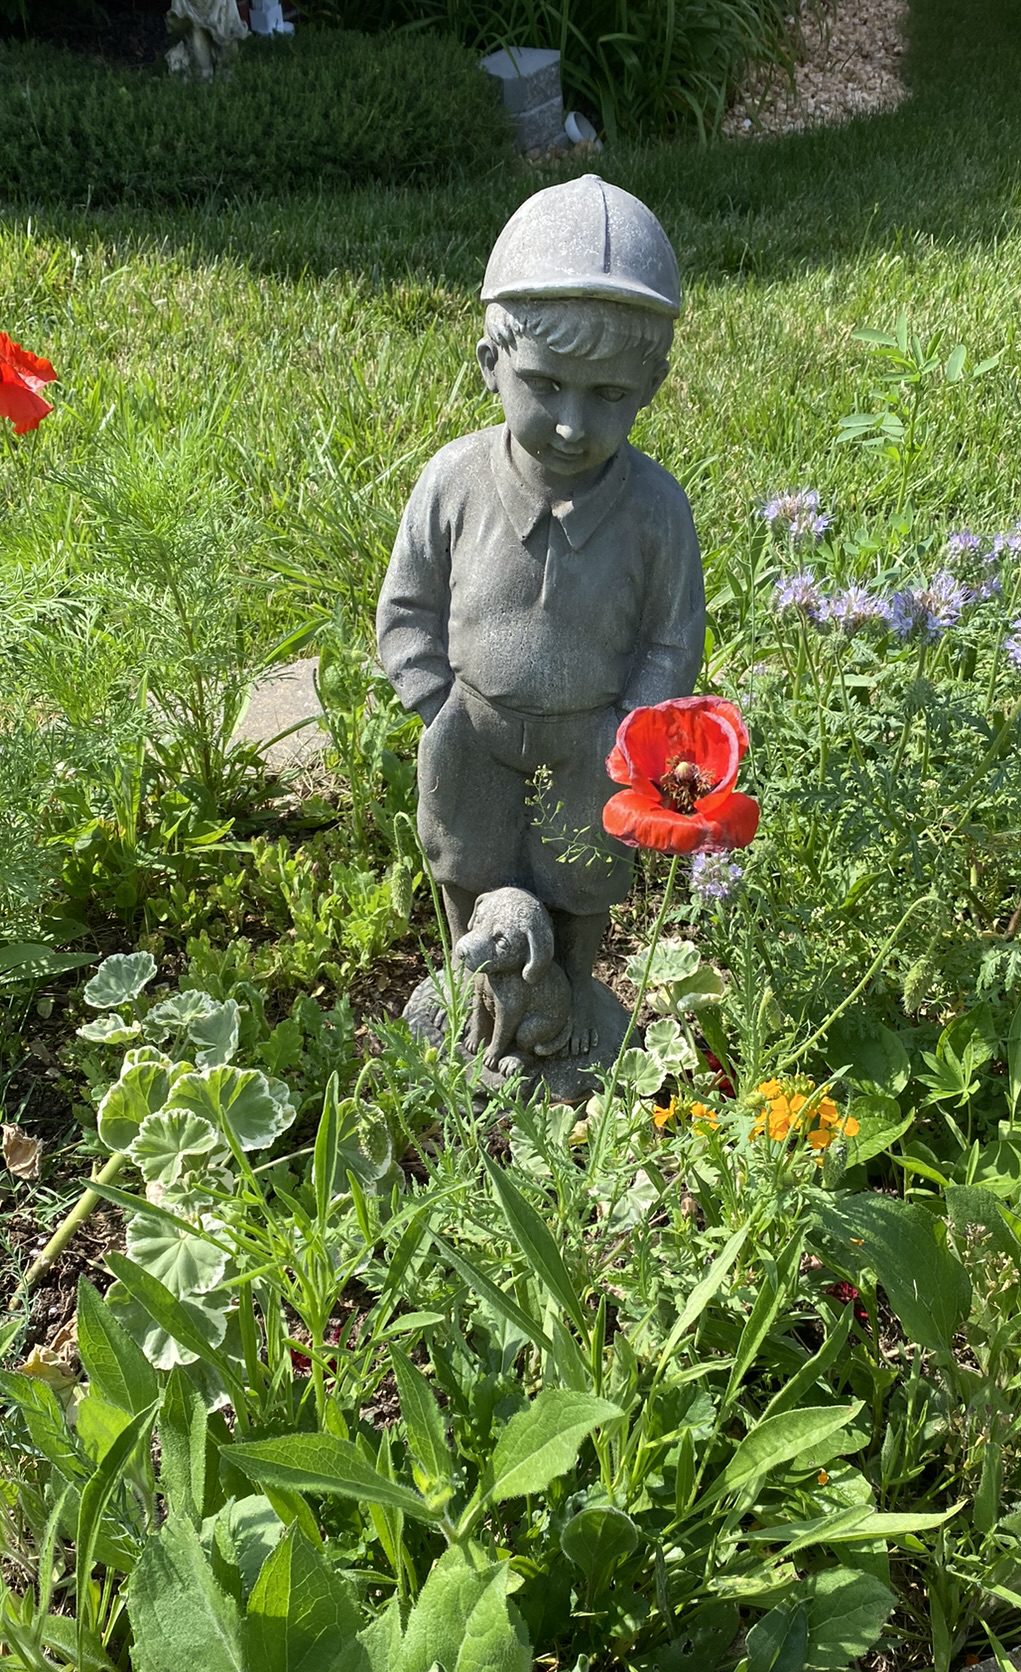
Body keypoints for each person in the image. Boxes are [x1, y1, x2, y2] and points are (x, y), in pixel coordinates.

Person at [378, 176, 705, 1056]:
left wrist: (631, 731)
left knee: (585, 873)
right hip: (471, 727)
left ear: (652, 385)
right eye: (545, 383)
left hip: (590, 737)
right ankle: (468, 996)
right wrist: (437, 702)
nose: (570, 422)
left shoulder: (653, 511)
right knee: (464, 861)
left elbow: (674, 638)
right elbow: (406, 605)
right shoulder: (454, 481)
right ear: (491, 362)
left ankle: (573, 1001)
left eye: (607, 394)